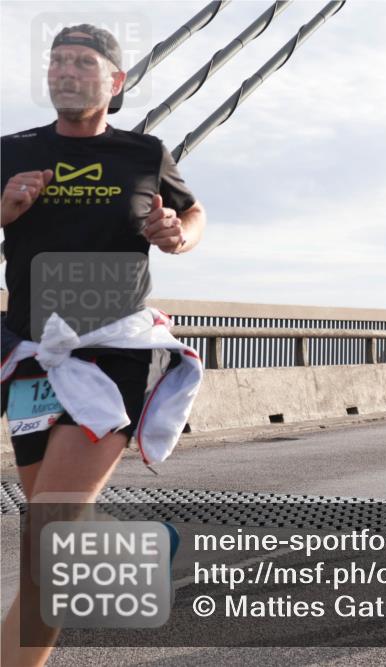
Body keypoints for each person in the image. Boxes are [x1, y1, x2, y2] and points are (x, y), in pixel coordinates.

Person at [1, 25, 205, 666]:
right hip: (35, 355)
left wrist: (176, 235)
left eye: (83, 63)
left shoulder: (144, 152)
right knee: (51, 542)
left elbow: (193, 215)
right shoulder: (11, 150)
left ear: (114, 82)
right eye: (56, 61)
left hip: (114, 348)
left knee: (47, 545)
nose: (65, 71)